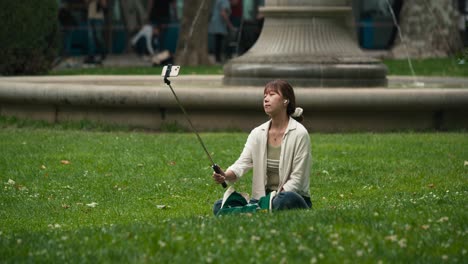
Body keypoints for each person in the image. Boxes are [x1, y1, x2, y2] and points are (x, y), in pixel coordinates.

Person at [212, 80, 312, 215]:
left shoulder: (300, 133)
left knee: (285, 200)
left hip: (288, 196)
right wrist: (225, 175)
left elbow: (297, 180)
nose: (266, 99)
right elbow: (242, 163)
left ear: (286, 101)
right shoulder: (257, 133)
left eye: (272, 94)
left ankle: (250, 211)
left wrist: (271, 199)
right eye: (265, 95)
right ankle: (259, 210)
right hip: (261, 198)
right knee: (218, 205)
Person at [84, 0, 107, 64]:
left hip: (98, 18)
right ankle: (91, 56)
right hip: (90, 17)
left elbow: (104, 4)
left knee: (98, 36)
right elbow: (86, 3)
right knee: (90, 37)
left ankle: (103, 52)